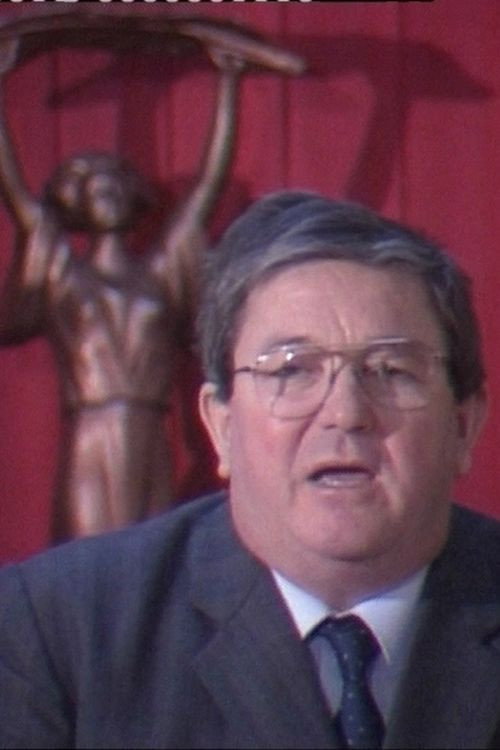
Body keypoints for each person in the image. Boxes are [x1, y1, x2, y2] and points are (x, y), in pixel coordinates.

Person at [0, 190, 498, 749]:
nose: (345, 414)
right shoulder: (57, 630)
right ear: (221, 426)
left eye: (390, 370)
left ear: (463, 425)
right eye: (291, 371)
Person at [0, 17, 303, 540]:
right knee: (88, 557)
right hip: (90, 432)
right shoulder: (62, 272)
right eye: (98, 191)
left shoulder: (160, 276)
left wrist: (228, 83)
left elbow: (208, 185)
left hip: (151, 433)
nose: (110, 197)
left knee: (152, 557)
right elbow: (14, 189)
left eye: (117, 188)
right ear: (76, 203)